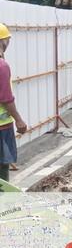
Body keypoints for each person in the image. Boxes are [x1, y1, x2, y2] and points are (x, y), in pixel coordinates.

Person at [0, 24, 27, 183]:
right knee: (3, 168)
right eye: (7, 40)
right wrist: (19, 120)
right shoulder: (2, 66)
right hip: (2, 127)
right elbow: (5, 98)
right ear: (2, 42)